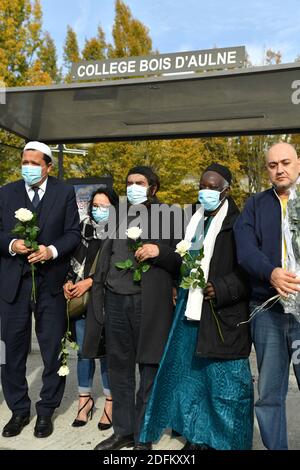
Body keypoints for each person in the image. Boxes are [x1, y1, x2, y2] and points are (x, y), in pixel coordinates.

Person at [139, 163, 253, 450]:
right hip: (189, 309)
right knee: (191, 378)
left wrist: (223, 288)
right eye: (203, 185)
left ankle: (223, 440)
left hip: (221, 313)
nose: (207, 191)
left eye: (213, 187)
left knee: (223, 382)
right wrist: (160, 253)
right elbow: (183, 259)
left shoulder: (238, 223)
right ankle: (196, 435)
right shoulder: (193, 218)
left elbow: (249, 269)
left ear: (226, 190)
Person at [84, 166, 182, 450]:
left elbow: (182, 257)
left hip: (148, 303)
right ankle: (123, 431)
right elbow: (105, 257)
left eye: (139, 183)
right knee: (119, 369)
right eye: (129, 183)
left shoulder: (170, 215)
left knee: (149, 370)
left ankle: (144, 435)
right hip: (116, 300)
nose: (133, 187)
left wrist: (159, 251)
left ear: (153, 187)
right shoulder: (117, 215)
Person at [0, 141, 80, 438]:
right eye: (24, 161)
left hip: (50, 285)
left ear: (48, 165)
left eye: (34, 163)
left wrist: (51, 251)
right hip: (12, 287)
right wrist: (11, 244)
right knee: (11, 352)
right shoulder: (6, 192)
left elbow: (73, 233)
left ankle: (46, 410)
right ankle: (19, 410)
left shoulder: (64, 192)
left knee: (53, 351)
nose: (28, 167)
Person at [234, 142, 300, 450]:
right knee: (270, 395)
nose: (279, 169)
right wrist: (270, 272)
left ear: (298, 164)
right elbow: (245, 250)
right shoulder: (255, 205)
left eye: (285, 162)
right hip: (267, 310)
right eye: (273, 165)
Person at [63, 188, 118, 430]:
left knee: (106, 354)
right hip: (82, 302)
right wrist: (67, 282)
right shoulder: (82, 231)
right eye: (95, 205)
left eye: (105, 206)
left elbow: (117, 270)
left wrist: (89, 282)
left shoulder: (118, 234)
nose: (98, 210)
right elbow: (70, 262)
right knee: (84, 353)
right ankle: (84, 401)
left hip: (107, 302)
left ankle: (110, 402)